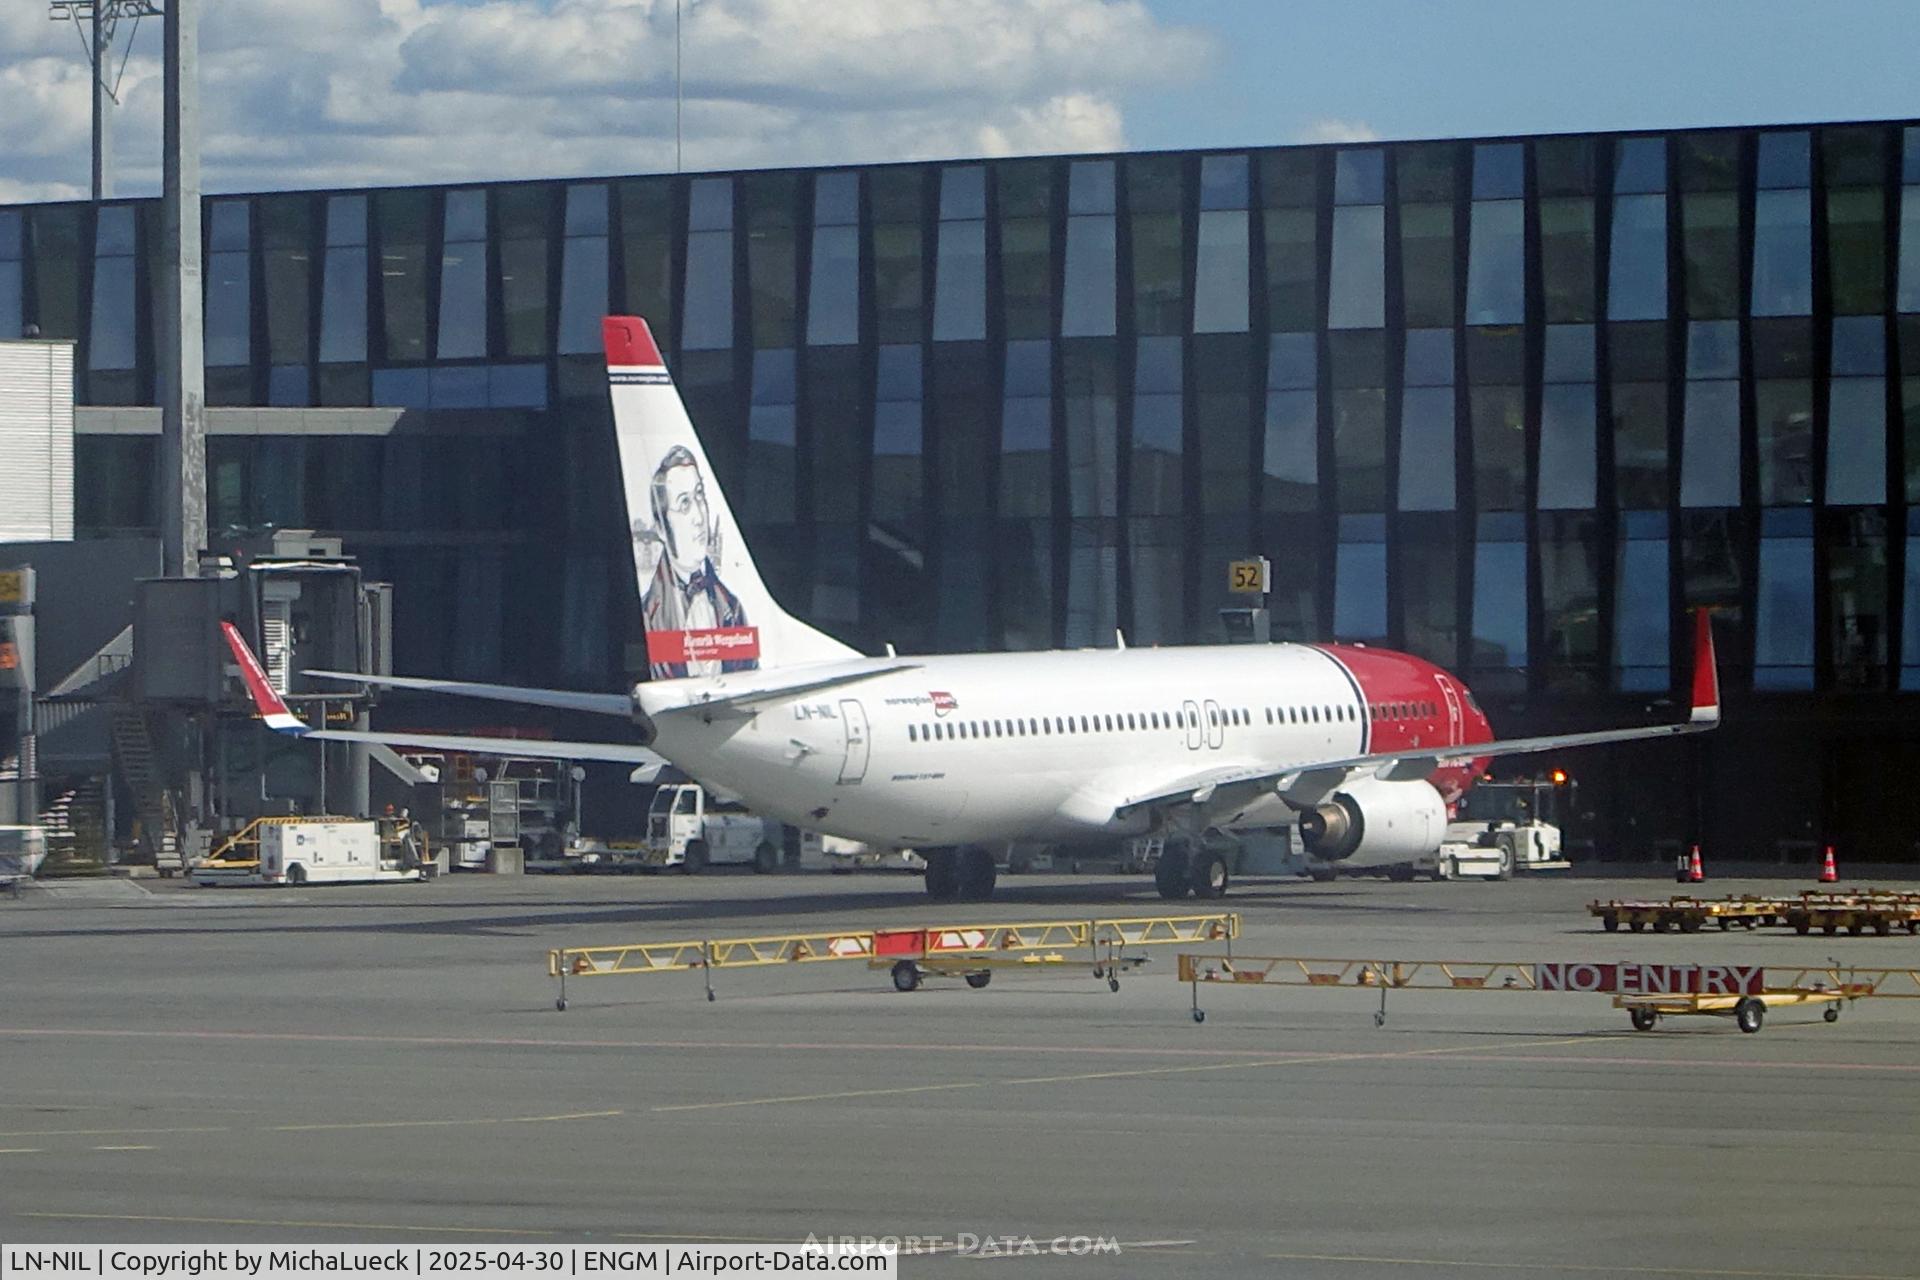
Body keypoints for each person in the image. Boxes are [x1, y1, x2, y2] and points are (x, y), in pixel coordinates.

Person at [634, 445, 755, 679]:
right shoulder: (647, 617)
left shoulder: (733, 607)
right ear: (660, 527)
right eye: (684, 504)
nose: (699, 517)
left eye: (699, 496)